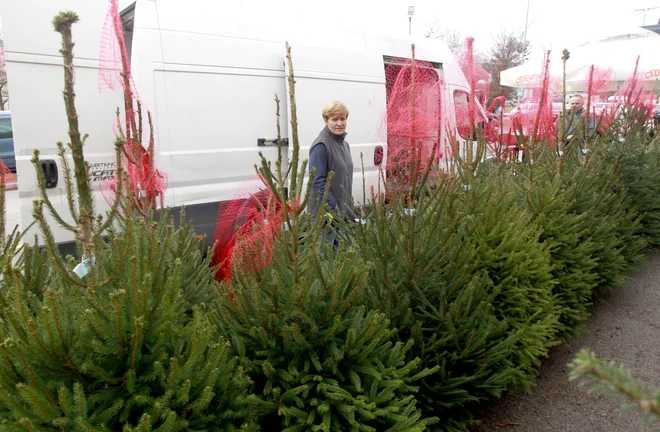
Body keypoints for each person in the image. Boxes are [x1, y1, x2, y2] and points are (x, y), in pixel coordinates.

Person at [307, 101, 354, 230]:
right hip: (325, 218)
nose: (340, 123)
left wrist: (349, 207)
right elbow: (317, 183)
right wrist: (334, 208)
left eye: (342, 119)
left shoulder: (344, 145)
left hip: (341, 215)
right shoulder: (321, 146)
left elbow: (346, 178)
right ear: (326, 120)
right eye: (334, 119)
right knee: (326, 250)